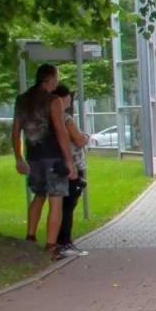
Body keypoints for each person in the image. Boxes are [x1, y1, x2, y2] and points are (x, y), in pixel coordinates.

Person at [10, 63, 78, 260]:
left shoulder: (22, 100)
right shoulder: (53, 101)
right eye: (56, 78)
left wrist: (19, 158)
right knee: (55, 200)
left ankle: (30, 237)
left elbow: (15, 131)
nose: (57, 81)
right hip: (54, 157)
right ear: (50, 79)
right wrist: (69, 161)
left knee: (38, 196)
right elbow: (61, 132)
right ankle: (51, 245)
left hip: (34, 158)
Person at [52, 84, 90, 258]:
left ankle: (59, 240)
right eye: (68, 97)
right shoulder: (65, 118)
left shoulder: (49, 117)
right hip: (72, 165)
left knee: (61, 204)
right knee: (69, 204)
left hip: (56, 164)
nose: (70, 100)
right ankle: (64, 241)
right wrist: (85, 137)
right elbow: (79, 140)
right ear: (63, 98)